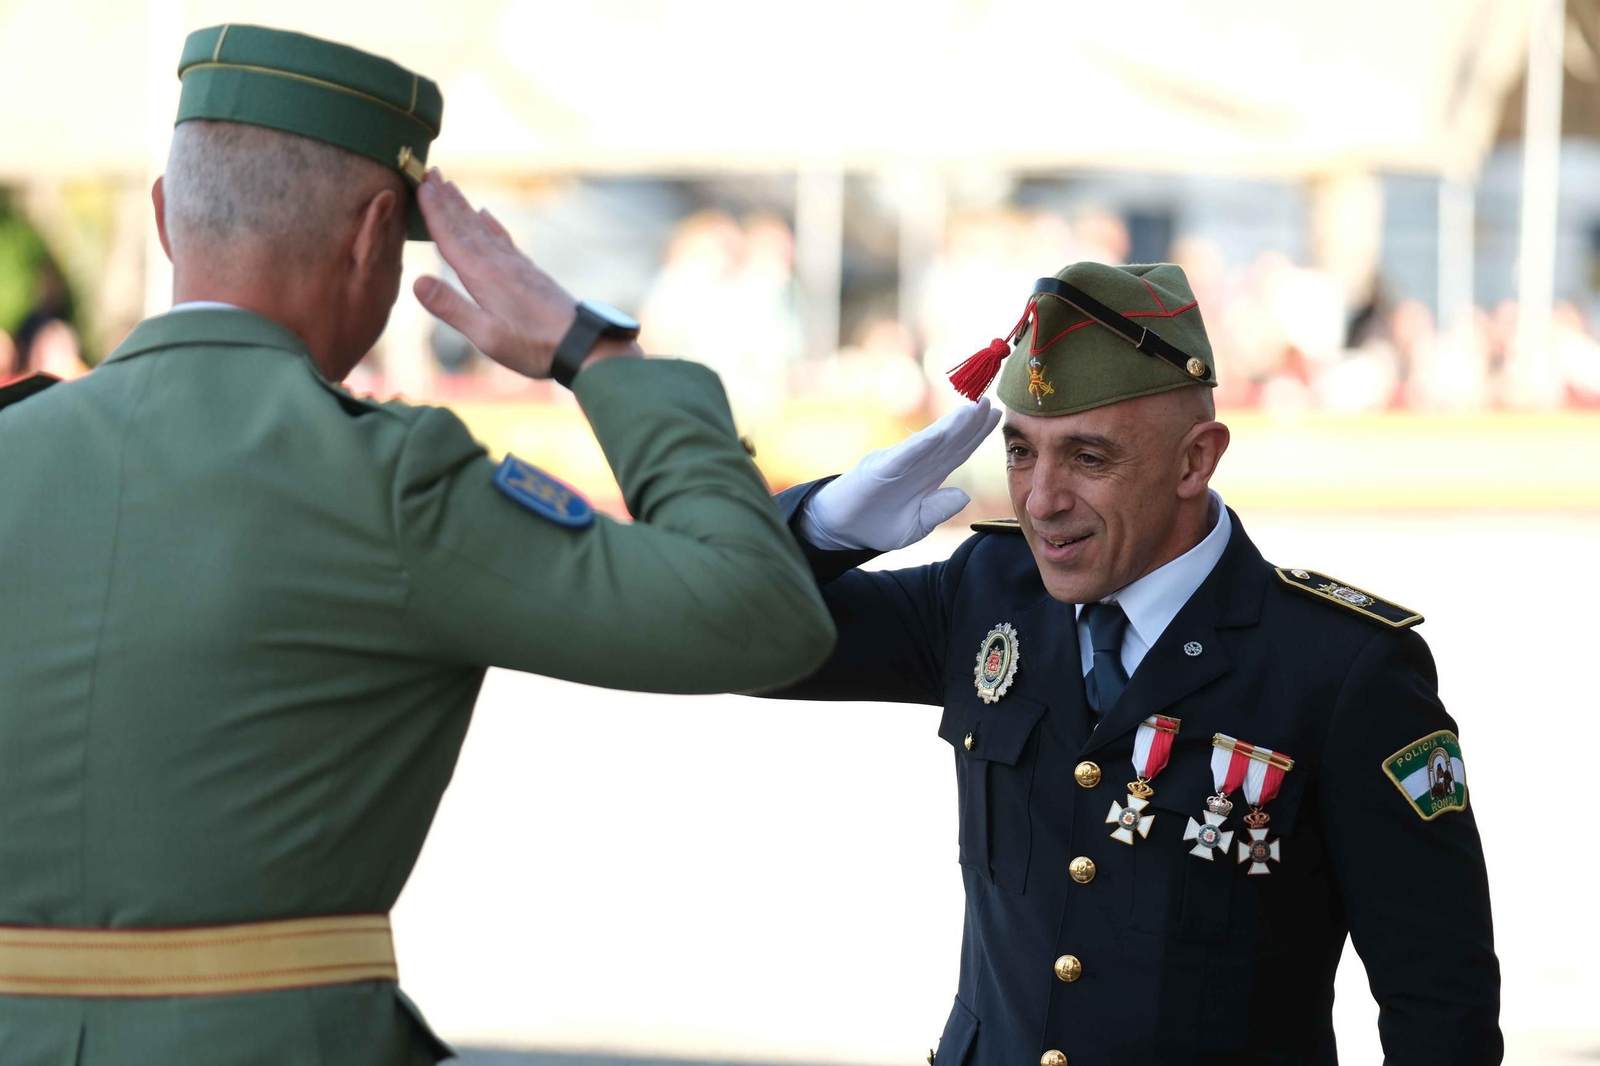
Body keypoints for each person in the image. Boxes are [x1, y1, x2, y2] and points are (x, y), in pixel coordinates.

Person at [0, 24, 833, 1065]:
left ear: (167, 218)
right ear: (374, 235)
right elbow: (757, 610)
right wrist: (595, 351)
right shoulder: (387, 478)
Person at [768, 262, 1500, 1064]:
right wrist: (819, 529)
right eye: (1020, 451)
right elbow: (737, 643)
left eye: (1088, 458)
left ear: (1195, 461)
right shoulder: (989, 591)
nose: (1040, 499)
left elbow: (1440, 1005)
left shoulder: (1339, 667)